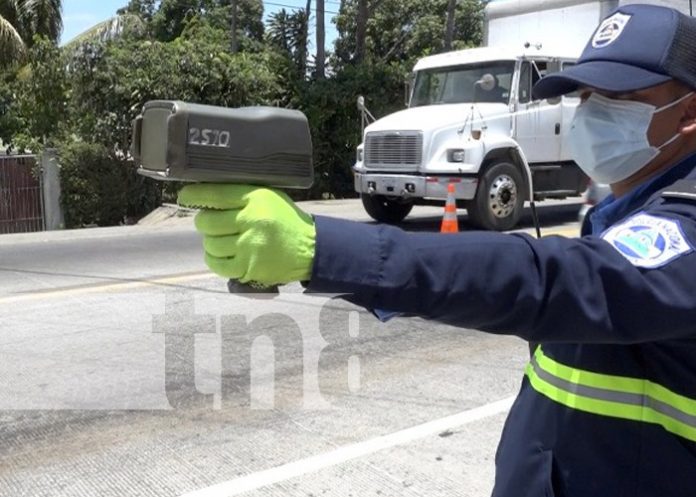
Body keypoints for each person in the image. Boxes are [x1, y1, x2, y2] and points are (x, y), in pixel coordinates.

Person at [178, 4, 696, 496]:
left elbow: (546, 282)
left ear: (688, 113)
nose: (587, 115)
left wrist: (323, 249)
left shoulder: (687, 227)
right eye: (583, 97)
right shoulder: (621, 211)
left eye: (618, 100)